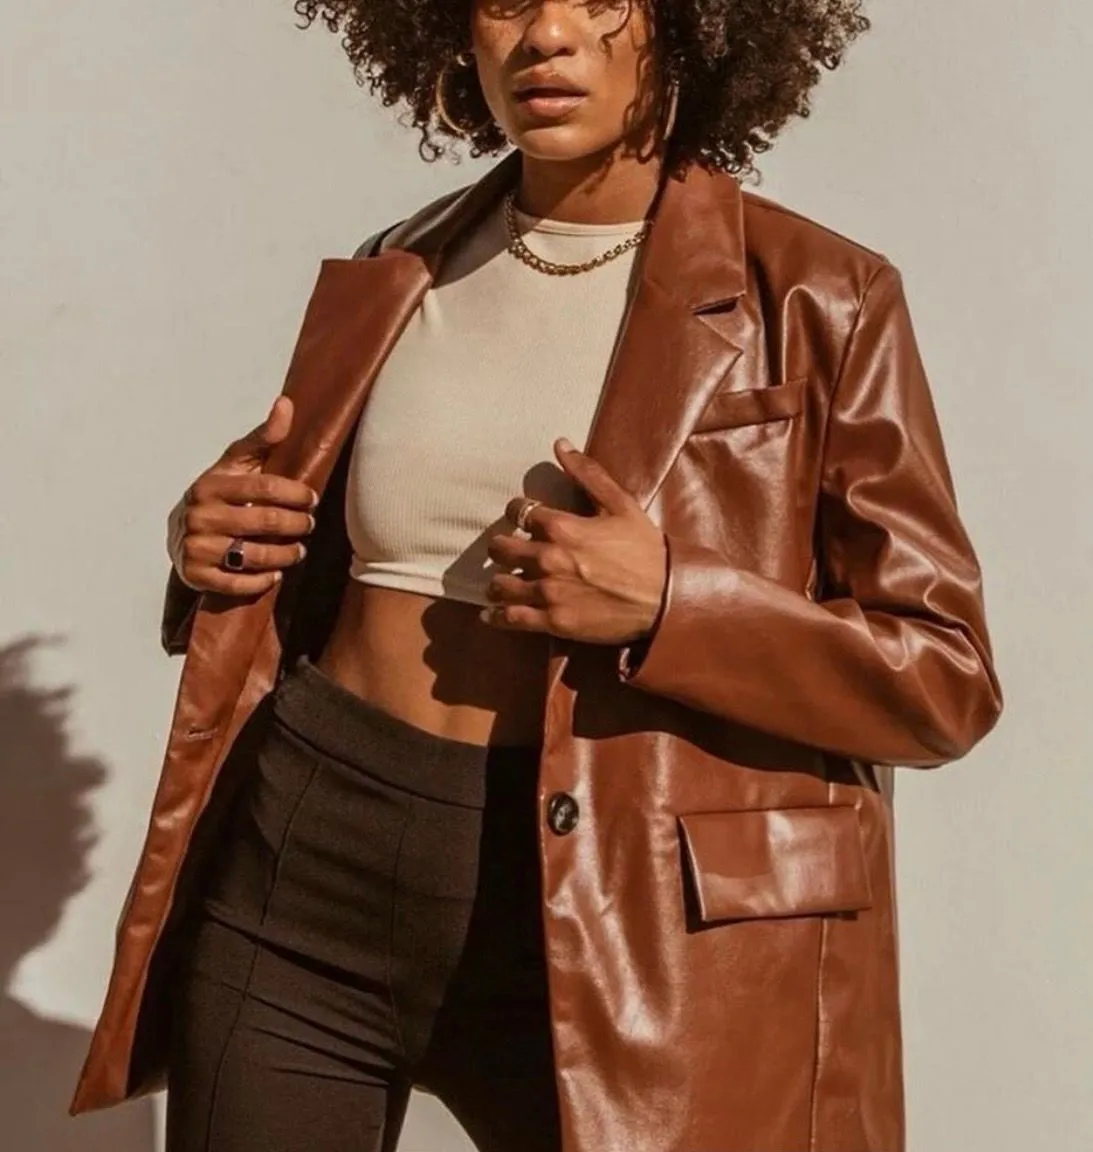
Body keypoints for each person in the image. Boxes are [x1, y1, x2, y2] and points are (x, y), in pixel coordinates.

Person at [72, 2, 1004, 1150]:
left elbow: (944, 676)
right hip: (304, 866)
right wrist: (216, 535)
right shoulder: (396, 267)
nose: (546, 36)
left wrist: (671, 604)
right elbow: (327, 557)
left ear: (690, 23)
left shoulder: (819, 295)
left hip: (627, 908)